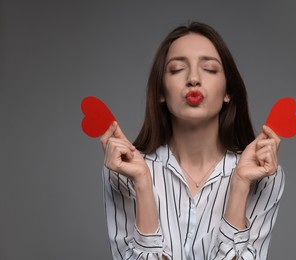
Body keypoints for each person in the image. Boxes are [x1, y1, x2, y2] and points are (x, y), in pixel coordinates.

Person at [100, 22, 285, 259]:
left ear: (228, 91)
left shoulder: (264, 176)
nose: (193, 79)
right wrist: (143, 183)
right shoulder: (122, 171)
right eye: (177, 69)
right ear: (160, 93)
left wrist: (240, 185)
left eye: (209, 69)